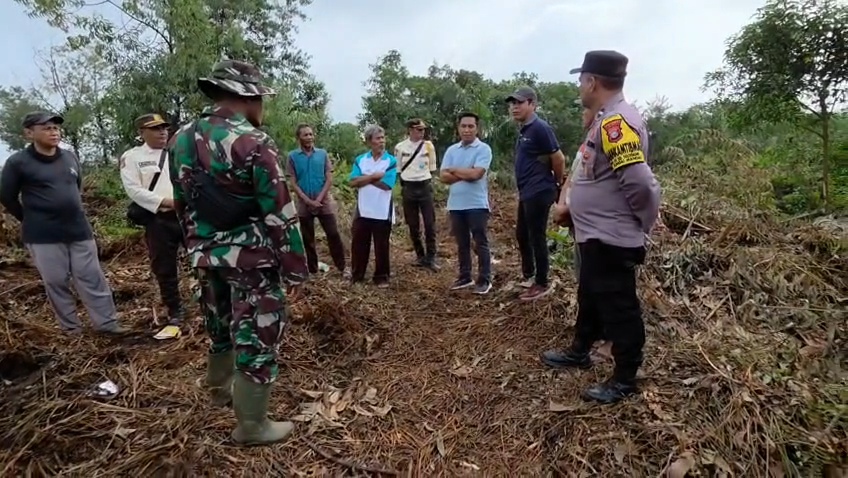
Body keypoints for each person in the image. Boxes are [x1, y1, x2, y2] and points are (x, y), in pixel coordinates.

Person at [168, 59, 308, 445]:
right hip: (250, 259)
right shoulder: (254, 141)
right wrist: (295, 267)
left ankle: (218, 391)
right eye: (261, 98)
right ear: (248, 98)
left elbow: (180, 201)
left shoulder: (180, 138)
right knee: (257, 334)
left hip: (204, 253)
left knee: (219, 325)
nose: (263, 106)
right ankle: (252, 426)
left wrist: (196, 246)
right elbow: (279, 212)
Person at [542, 50, 662, 404]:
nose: (580, 87)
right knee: (590, 295)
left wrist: (642, 223)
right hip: (595, 233)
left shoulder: (616, 124)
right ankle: (580, 349)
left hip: (612, 237)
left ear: (592, 82)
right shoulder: (604, 120)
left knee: (619, 307)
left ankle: (625, 377)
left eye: (581, 80)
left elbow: (641, 184)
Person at [0, 112, 127, 336]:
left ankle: (107, 324)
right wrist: (28, 218)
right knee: (56, 281)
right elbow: (6, 195)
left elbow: (76, 188)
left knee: (92, 277)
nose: (54, 132)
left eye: (56, 128)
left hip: (78, 229)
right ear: (29, 133)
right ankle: (71, 329)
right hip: (43, 234)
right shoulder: (18, 162)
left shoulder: (69, 157)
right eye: (46, 128)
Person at [119, 113, 186, 326]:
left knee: (203, 259)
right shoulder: (133, 157)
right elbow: (134, 190)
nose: (162, 132)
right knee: (164, 267)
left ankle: (209, 301)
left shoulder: (178, 152)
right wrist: (166, 202)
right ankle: (174, 309)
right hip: (159, 219)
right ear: (142, 133)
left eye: (164, 128)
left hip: (186, 216)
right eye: (155, 129)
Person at [506, 86, 566, 301]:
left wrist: (557, 183)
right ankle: (530, 275)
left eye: (520, 103)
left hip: (539, 190)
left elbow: (558, 158)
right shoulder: (525, 130)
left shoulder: (540, 128)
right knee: (523, 234)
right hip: (527, 191)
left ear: (532, 104)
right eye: (513, 103)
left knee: (536, 236)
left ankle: (541, 282)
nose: (514, 107)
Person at [440, 112, 493, 295]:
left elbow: (476, 174)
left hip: (477, 204)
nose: (467, 130)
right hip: (456, 205)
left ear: (477, 128)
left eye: (471, 126)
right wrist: (465, 172)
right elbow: (443, 177)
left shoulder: (483, 149)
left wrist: (454, 170)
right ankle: (465, 276)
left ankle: (484, 279)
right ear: (458, 128)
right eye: (464, 126)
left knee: (480, 242)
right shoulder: (451, 150)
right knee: (462, 243)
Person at [286, 123, 349, 278]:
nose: (309, 137)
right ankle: (312, 270)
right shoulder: (293, 156)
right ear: (299, 138)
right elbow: (293, 182)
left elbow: (329, 177)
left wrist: (319, 199)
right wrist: (307, 200)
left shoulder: (322, 154)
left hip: (323, 202)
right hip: (304, 203)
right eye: (305, 135)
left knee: (333, 234)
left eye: (311, 134)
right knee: (307, 238)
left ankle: (342, 267)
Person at [348, 125, 398, 288]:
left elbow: (387, 184)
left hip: (382, 210)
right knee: (359, 244)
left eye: (383, 138)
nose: (382, 141)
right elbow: (352, 181)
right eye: (378, 138)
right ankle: (357, 275)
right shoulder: (360, 160)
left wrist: (364, 178)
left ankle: (381, 277)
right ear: (369, 141)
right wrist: (374, 176)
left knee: (381, 245)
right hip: (363, 209)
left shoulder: (391, 161)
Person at [394, 118, 439, 270]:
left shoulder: (428, 146)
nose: (422, 132)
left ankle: (431, 257)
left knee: (429, 223)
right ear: (410, 130)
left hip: (424, 185)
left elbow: (432, 168)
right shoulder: (400, 147)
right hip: (409, 187)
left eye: (423, 130)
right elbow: (398, 169)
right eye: (419, 129)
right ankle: (420, 255)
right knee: (413, 224)